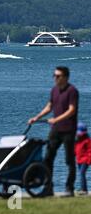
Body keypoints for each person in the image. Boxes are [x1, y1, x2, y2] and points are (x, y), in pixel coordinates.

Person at [28, 66, 79, 197]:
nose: (55, 78)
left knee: (69, 160)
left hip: (68, 130)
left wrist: (56, 119)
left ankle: (69, 188)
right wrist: (37, 117)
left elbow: (71, 110)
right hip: (55, 130)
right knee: (48, 158)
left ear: (65, 77)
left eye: (58, 76)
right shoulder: (54, 90)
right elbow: (49, 106)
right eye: (54, 75)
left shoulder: (72, 91)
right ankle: (48, 187)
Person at [74, 122, 91, 195]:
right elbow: (75, 150)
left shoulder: (87, 140)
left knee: (82, 173)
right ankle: (83, 189)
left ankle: (84, 190)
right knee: (81, 174)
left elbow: (90, 151)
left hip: (85, 160)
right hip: (79, 160)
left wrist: (88, 161)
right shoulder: (77, 141)